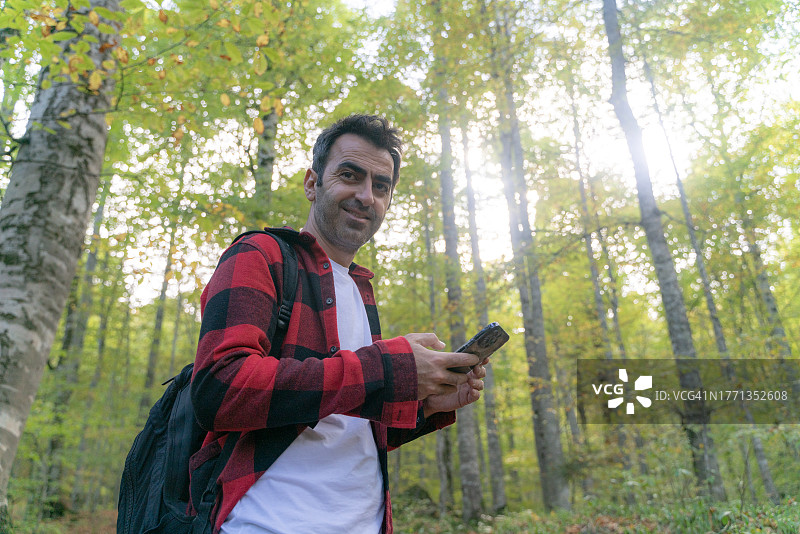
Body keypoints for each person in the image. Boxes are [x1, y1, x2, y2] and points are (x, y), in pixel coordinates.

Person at [190, 114, 488, 534]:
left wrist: (425, 406)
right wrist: (387, 368)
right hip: (264, 523)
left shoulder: (361, 292)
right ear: (313, 184)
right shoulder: (260, 256)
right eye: (350, 175)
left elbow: (343, 429)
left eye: (381, 186)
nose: (366, 196)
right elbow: (219, 389)